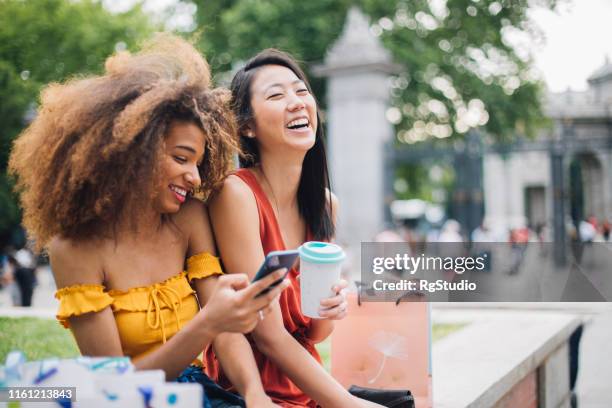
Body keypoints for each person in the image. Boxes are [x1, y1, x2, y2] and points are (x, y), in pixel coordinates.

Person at [8, 34, 288, 408]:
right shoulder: (75, 249)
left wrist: (255, 395)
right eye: (181, 158)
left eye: (198, 163)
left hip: (196, 392)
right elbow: (114, 386)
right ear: (131, 153)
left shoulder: (189, 218)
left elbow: (225, 332)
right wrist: (207, 323)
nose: (196, 178)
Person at [207, 49, 382, 407]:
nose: (297, 103)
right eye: (276, 95)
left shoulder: (326, 204)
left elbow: (315, 334)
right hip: (246, 392)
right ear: (247, 126)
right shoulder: (235, 194)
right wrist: (351, 405)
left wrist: (330, 309)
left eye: (302, 91)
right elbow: (267, 334)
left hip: (306, 390)